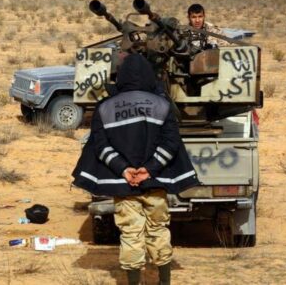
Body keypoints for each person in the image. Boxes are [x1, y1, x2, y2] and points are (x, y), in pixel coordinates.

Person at [71, 54, 198, 285]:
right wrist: (149, 170)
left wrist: (124, 170)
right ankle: (164, 282)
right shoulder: (162, 104)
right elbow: (171, 143)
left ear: (121, 77)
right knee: (158, 231)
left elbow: (100, 146)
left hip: (125, 186)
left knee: (130, 234)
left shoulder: (105, 107)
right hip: (155, 185)